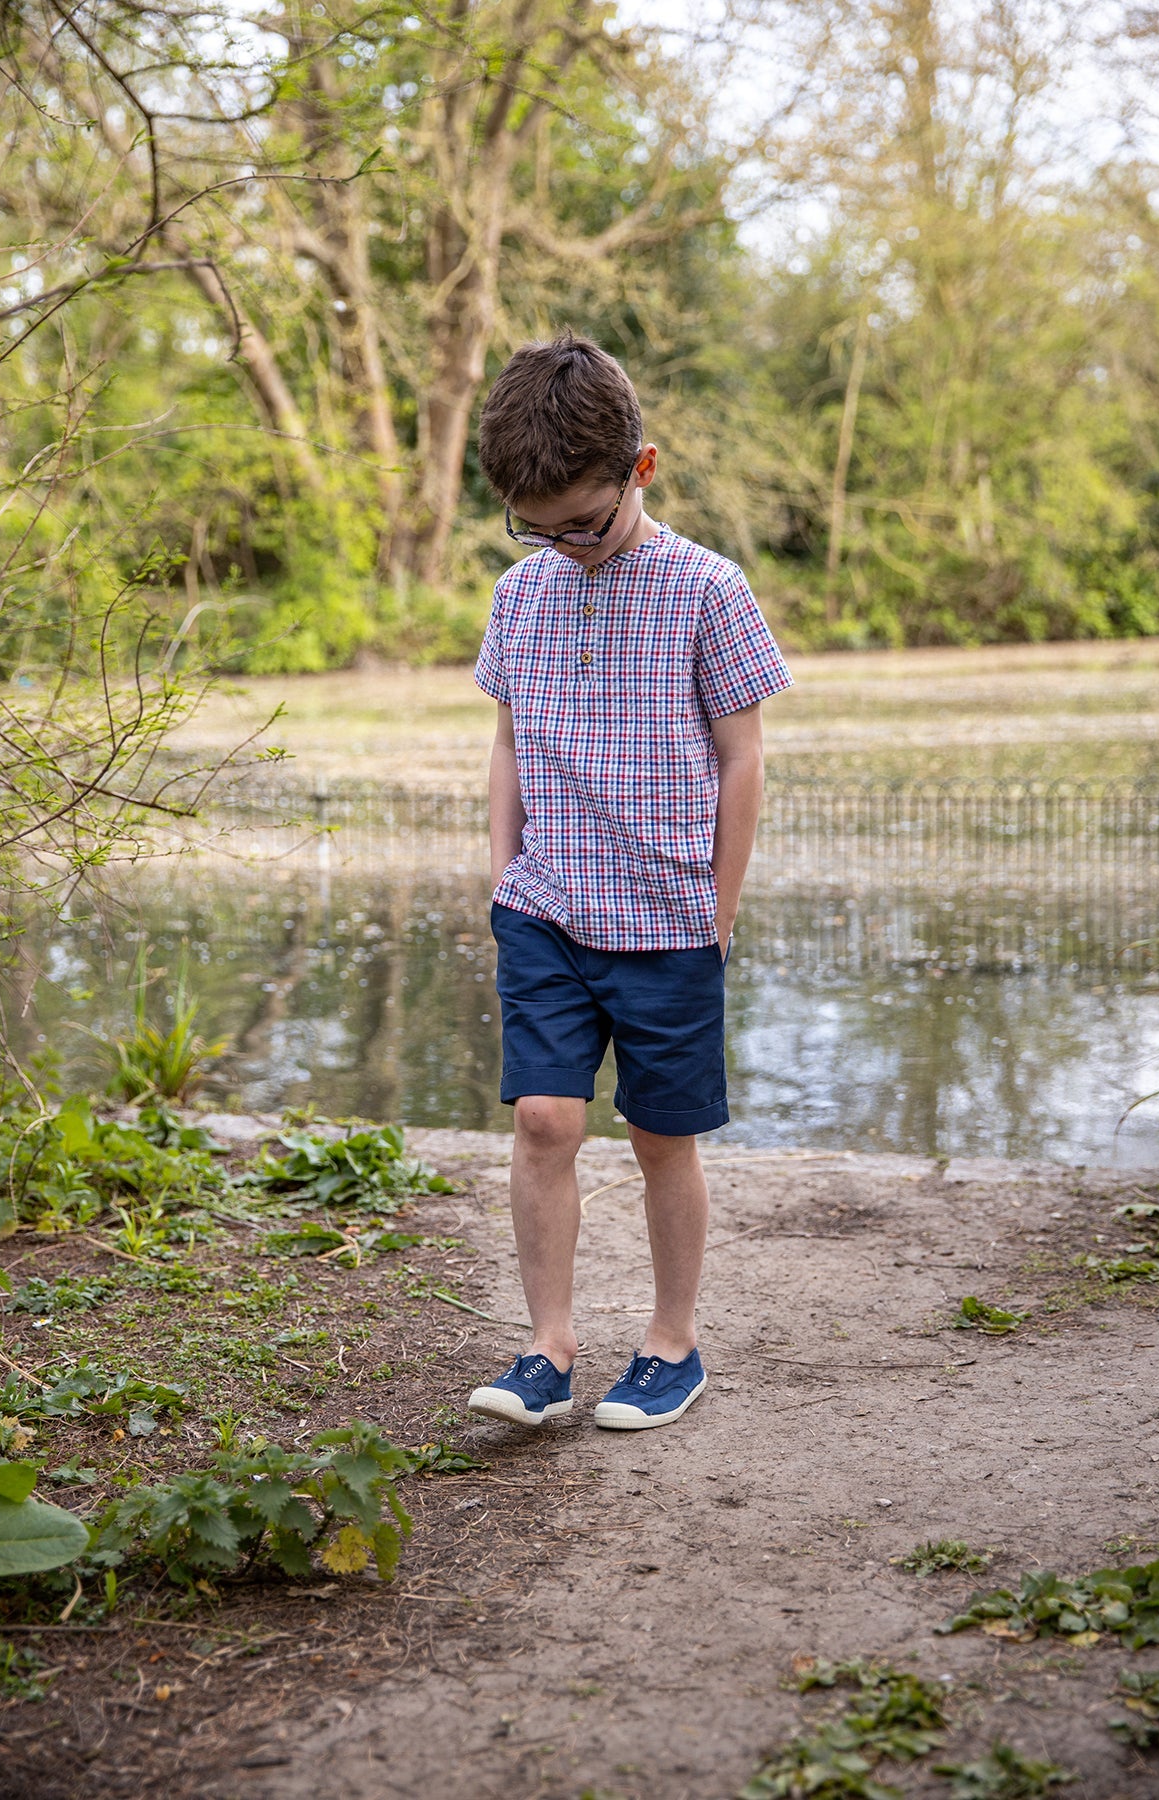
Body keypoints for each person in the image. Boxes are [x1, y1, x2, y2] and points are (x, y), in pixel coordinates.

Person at [466, 331, 792, 1432]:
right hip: (546, 910)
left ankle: (671, 1344)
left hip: (668, 924)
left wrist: (718, 909)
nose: (561, 544)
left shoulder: (710, 591)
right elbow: (510, 742)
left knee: (661, 1135)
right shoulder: (522, 597)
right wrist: (504, 873)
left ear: (640, 470)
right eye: (535, 526)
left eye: (582, 522)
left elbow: (743, 757)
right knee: (547, 1122)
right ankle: (548, 1349)